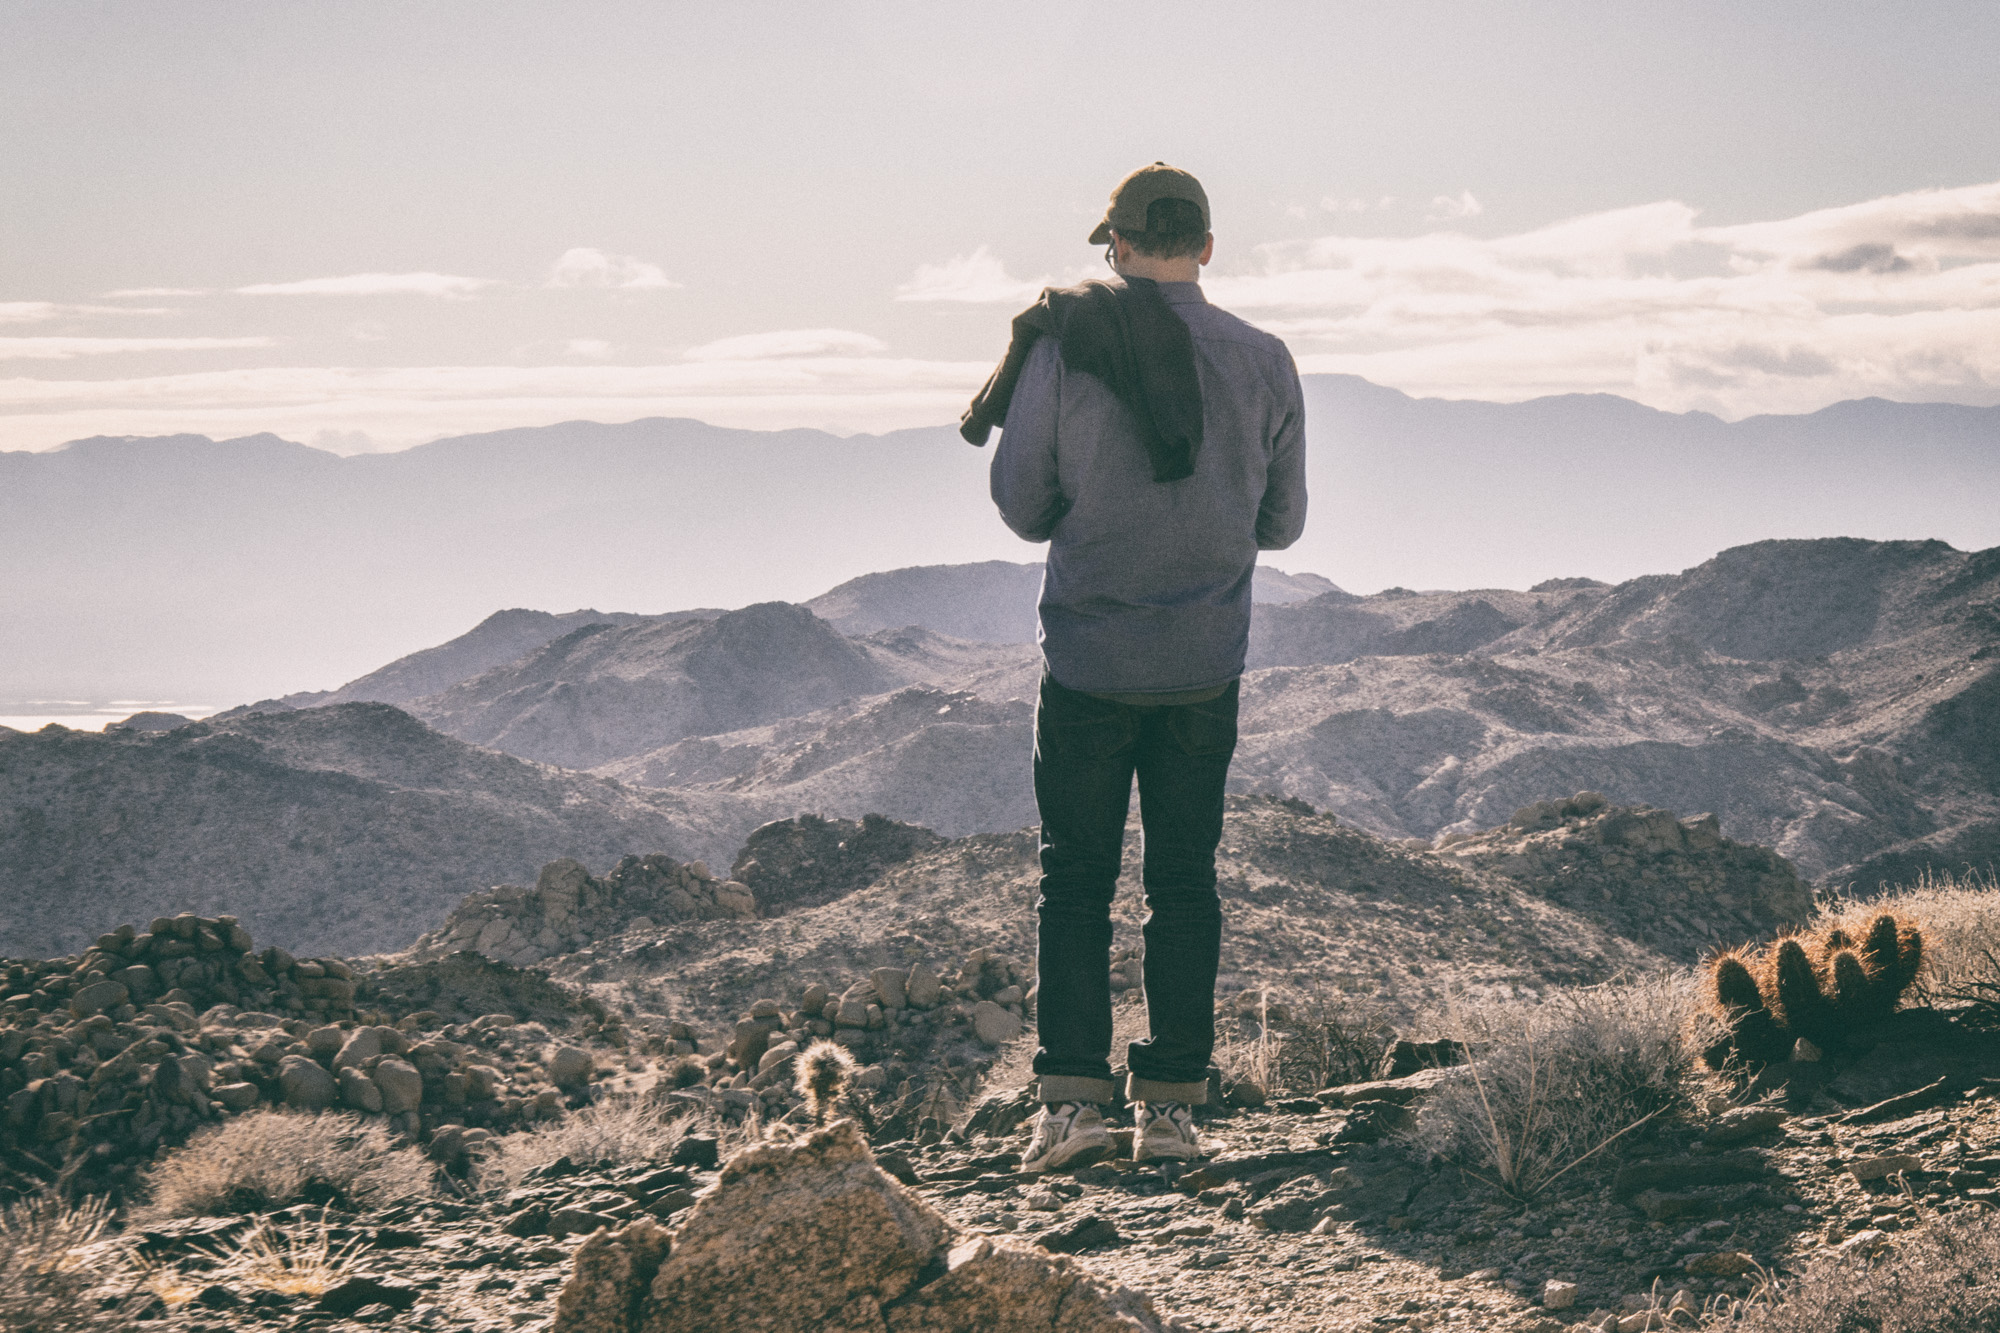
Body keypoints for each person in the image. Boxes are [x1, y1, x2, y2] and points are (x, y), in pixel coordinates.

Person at [960, 162, 1308, 1172]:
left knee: (1074, 880)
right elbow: (1280, 523)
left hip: (1087, 658)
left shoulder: (1063, 349)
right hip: (1204, 661)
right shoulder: (1266, 360)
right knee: (1184, 881)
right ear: (1205, 247)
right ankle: (1170, 1113)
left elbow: (1022, 505)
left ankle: (1072, 1108)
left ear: (1114, 246)